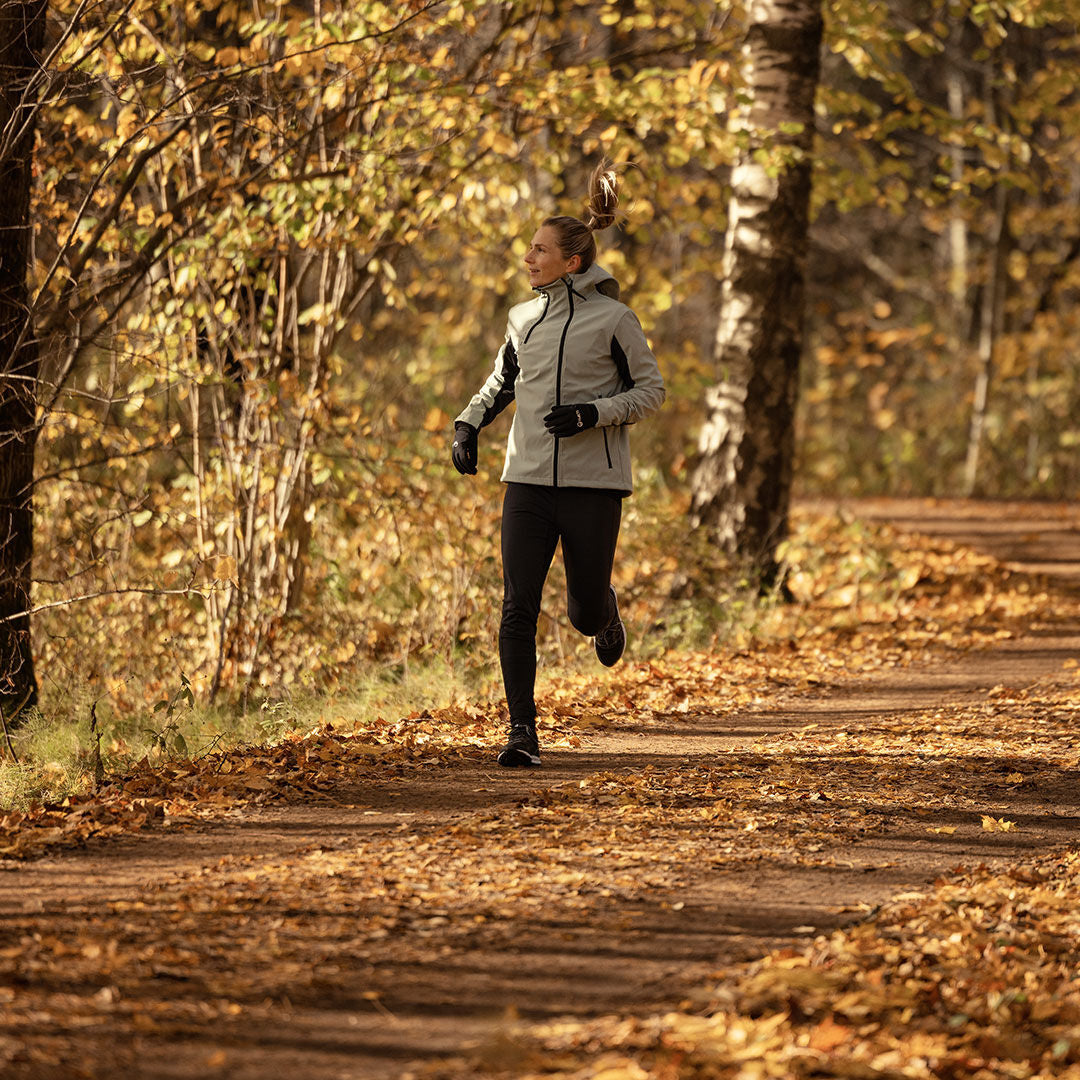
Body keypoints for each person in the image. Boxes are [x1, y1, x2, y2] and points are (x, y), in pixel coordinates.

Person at [451, 161, 665, 767]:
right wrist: (468, 423)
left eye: (539, 250)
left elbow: (651, 393)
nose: (528, 258)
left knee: (582, 611)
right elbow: (501, 383)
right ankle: (522, 731)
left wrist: (591, 414)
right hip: (525, 481)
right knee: (517, 604)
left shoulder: (616, 320)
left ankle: (604, 610)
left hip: (592, 484)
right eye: (529, 248)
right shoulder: (524, 319)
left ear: (571, 262)